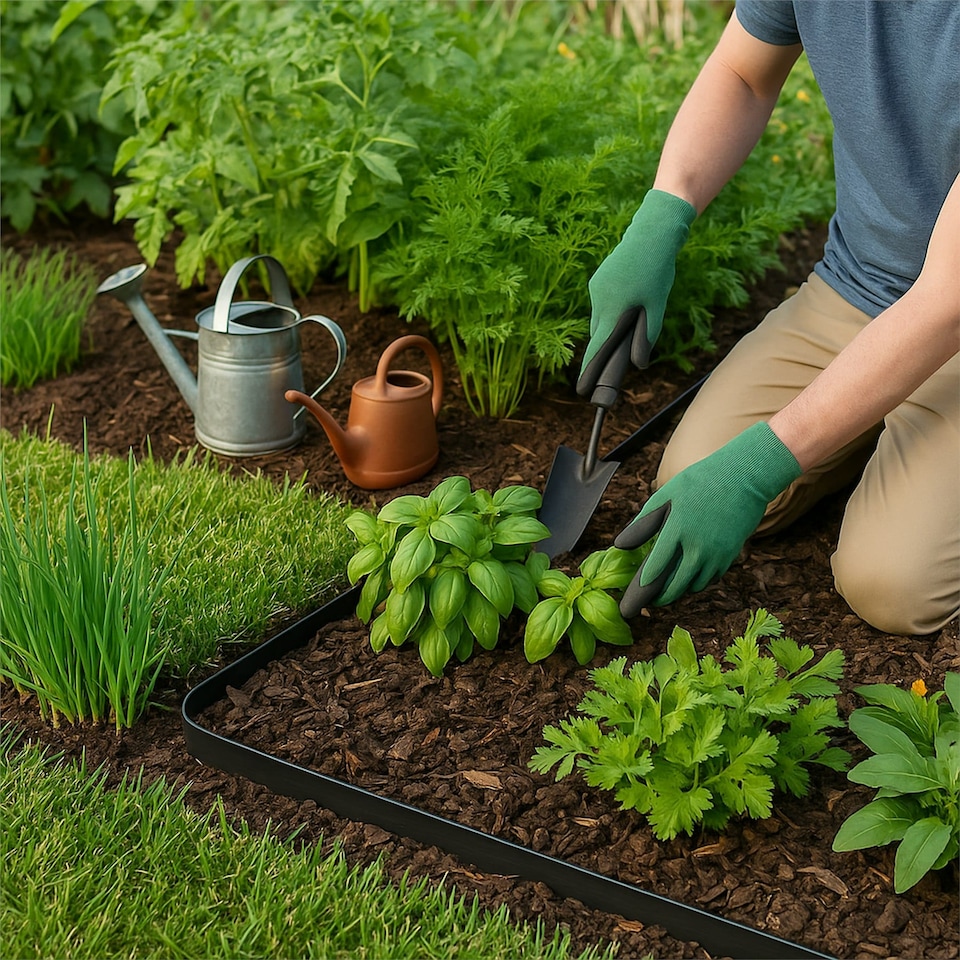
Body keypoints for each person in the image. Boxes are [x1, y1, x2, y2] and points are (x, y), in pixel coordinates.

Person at [577, 0, 960, 636]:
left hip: (951, 311)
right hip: (858, 287)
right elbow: (743, 71)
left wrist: (760, 468)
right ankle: (870, 437)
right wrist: (660, 219)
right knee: (685, 480)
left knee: (892, 586)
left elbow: (945, 302)